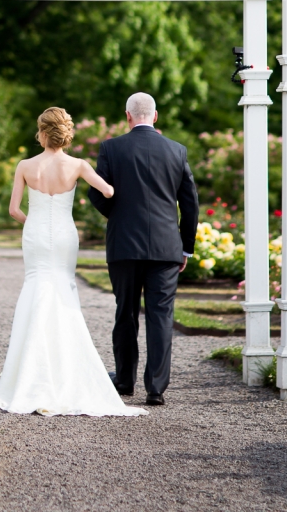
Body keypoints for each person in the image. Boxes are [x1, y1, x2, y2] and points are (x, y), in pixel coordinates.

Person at [0, 107, 146, 417]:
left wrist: (33, 224)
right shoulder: (78, 165)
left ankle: (29, 376)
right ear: (65, 133)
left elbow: (13, 210)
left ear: (42, 132)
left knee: (36, 288)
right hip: (65, 235)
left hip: (35, 235)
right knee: (63, 290)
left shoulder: (25, 165)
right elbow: (108, 190)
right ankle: (68, 373)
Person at [88, 92, 199, 406]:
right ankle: (156, 388)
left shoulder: (111, 148)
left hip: (123, 245)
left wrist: (119, 216)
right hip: (166, 248)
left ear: (128, 116)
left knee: (125, 312)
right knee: (161, 315)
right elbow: (190, 203)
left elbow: (96, 192)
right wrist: (186, 247)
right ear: (156, 115)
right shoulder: (176, 150)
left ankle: (125, 380)